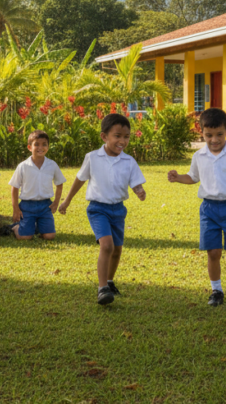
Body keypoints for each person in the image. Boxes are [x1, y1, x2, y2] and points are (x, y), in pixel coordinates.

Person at [167, 108, 226, 307]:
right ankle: (216, 290)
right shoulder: (199, 156)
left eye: (219, 134)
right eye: (209, 135)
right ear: (202, 132)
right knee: (213, 252)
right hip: (208, 210)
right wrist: (178, 178)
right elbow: (193, 177)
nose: (214, 139)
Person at [59, 113, 147, 306]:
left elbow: (135, 183)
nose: (122, 141)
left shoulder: (129, 161)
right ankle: (102, 289)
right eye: (117, 136)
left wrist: (139, 191)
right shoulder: (92, 157)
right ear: (104, 136)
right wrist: (67, 201)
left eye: (126, 136)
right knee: (106, 246)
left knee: (117, 250)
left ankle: (109, 281)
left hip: (118, 209)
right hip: (97, 208)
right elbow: (80, 180)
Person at [10, 130, 66, 240]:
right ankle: (16, 228)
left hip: (45, 206)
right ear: (29, 147)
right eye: (36, 144)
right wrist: (16, 209)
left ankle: (37, 227)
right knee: (25, 238)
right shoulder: (23, 166)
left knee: (49, 236)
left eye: (44, 144)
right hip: (27, 206)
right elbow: (14, 188)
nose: (41, 147)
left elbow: (59, 184)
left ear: (48, 147)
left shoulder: (52, 165)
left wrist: (56, 202)